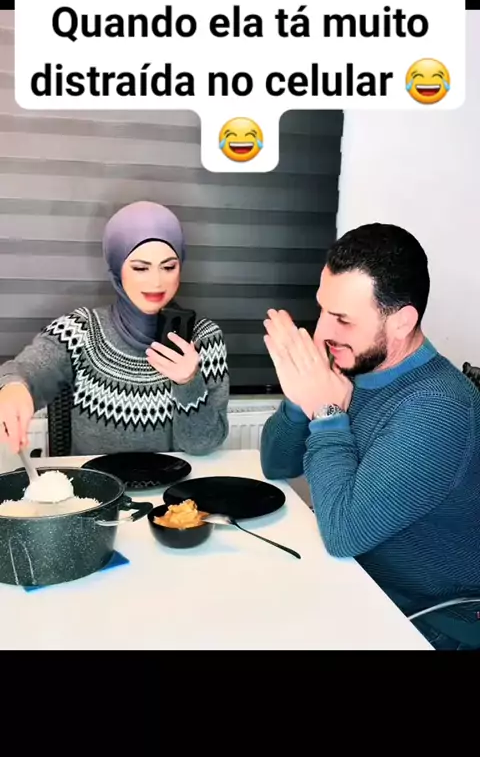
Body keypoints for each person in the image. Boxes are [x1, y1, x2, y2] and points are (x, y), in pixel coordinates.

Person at [260, 222, 480, 650]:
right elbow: (275, 464)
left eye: (342, 319)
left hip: (430, 620)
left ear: (401, 322)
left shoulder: (439, 407)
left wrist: (326, 413)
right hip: (358, 584)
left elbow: (344, 533)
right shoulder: (355, 365)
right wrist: (302, 393)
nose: (324, 331)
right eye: (323, 310)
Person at [0, 200, 229, 457]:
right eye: (140, 268)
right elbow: (24, 369)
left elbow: (203, 445)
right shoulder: (79, 331)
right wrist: (13, 388)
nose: (156, 282)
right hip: (94, 483)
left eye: (168, 267)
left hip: (179, 484)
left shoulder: (205, 338)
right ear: (117, 268)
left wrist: (188, 382)